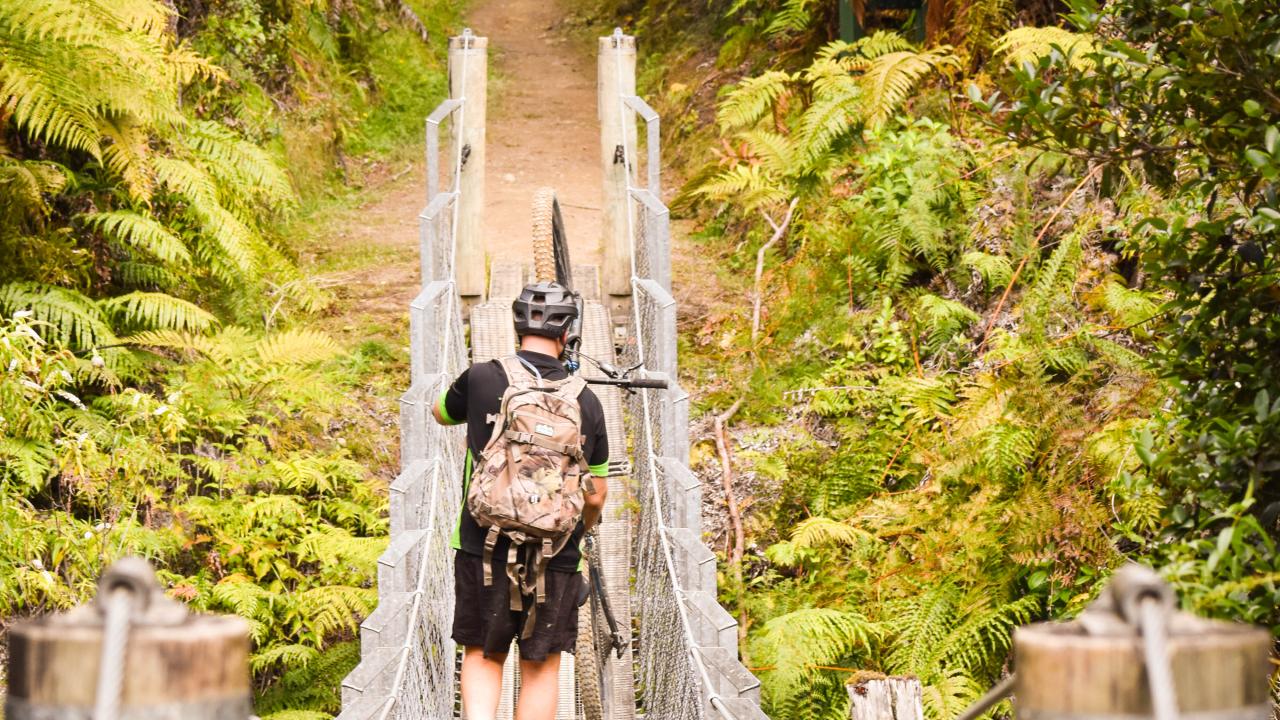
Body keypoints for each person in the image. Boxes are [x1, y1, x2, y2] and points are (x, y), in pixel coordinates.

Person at [432, 281, 609, 720]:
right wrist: (580, 530)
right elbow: (597, 494)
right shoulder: (586, 400)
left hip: (482, 542)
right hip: (557, 553)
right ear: (568, 331)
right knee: (541, 665)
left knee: (483, 654)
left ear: (516, 323)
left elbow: (439, 413)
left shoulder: (481, 377)